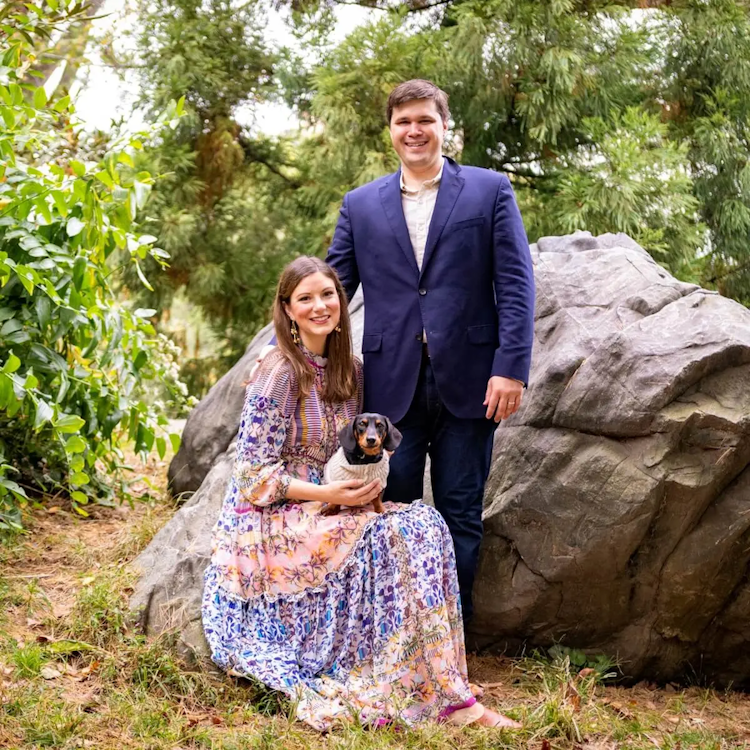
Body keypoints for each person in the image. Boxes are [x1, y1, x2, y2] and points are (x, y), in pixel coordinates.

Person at [202, 256, 521, 731]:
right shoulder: (278, 370)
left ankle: (434, 681)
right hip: (274, 515)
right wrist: (330, 492)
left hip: (334, 499)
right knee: (395, 535)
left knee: (425, 524)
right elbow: (250, 475)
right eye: (305, 298)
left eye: (327, 295)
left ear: (341, 300)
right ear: (287, 309)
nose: (319, 306)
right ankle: (420, 687)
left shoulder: (349, 369)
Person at [259, 79, 535, 624]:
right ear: (391, 131)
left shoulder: (489, 190)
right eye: (403, 121)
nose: (415, 130)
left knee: (460, 512)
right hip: (390, 391)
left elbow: (516, 282)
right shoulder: (361, 205)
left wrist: (511, 368)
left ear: (443, 125)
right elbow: (329, 290)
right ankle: (392, 637)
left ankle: (452, 641)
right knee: (385, 511)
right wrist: (280, 351)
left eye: (425, 120)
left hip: (473, 381)